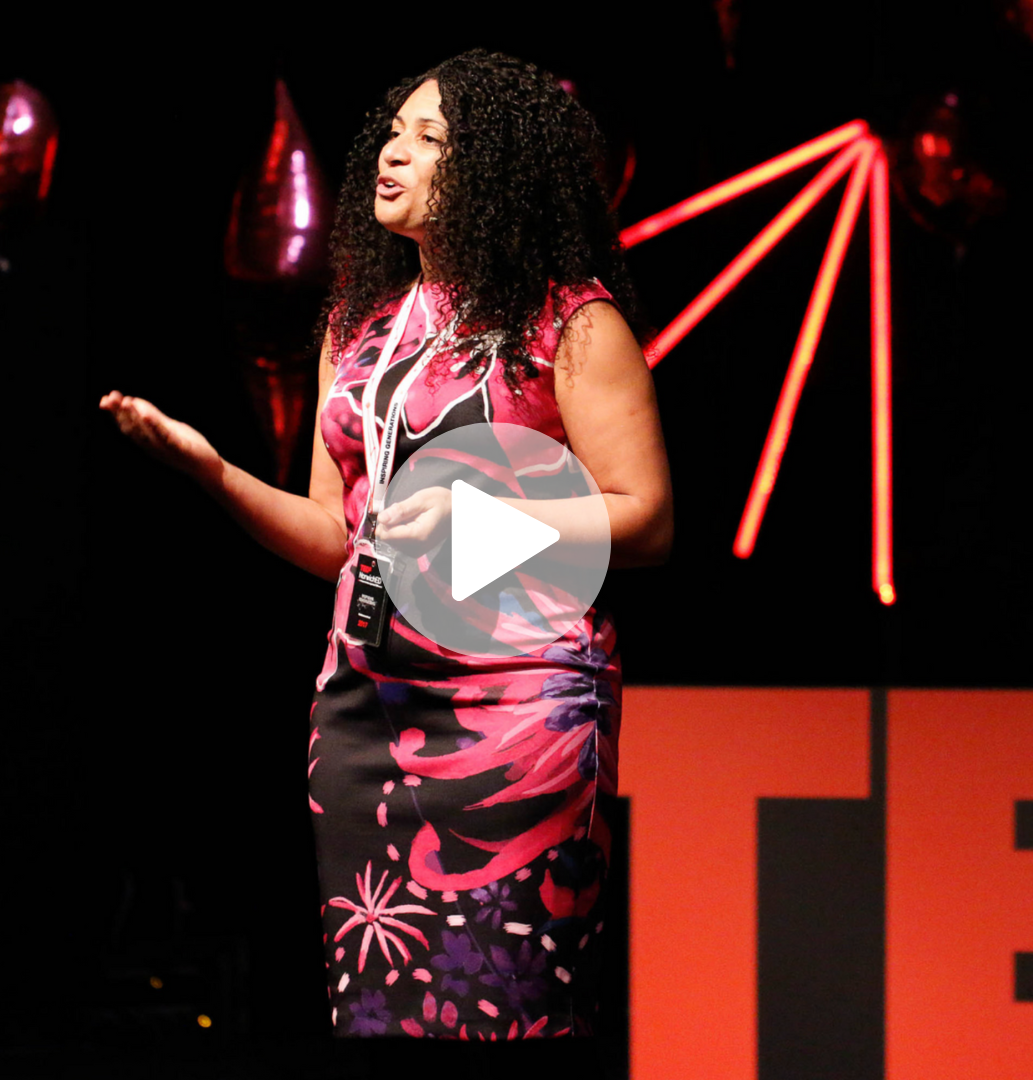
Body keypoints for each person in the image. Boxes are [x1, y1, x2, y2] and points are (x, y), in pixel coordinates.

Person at [101, 50, 672, 1053]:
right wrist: (213, 474)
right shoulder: (356, 331)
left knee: (508, 1019)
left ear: (494, 169)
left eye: (432, 139)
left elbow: (648, 519)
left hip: (519, 716)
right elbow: (336, 540)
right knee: (382, 1028)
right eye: (394, 132)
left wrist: (488, 525)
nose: (395, 154)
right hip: (368, 713)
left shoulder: (569, 323)